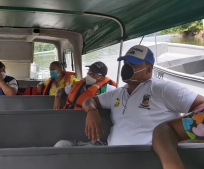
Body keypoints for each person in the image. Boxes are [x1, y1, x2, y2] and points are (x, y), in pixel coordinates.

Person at [54, 45, 204, 147]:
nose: (127, 68)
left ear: (148, 70)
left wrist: (181, 133)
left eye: (134, 64)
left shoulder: (161, 89)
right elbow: (89, 101)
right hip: (108, 151)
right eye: (126, 63)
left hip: (145, 156)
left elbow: (201, 105)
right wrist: (92, 111)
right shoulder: (117, 93)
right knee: (62, 146)